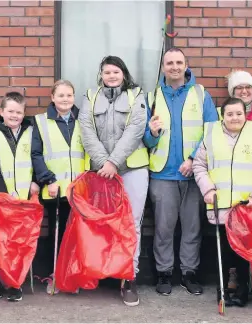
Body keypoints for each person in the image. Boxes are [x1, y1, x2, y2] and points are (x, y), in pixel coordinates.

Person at [144, 47, 218, 296]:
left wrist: (192, 159)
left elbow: (211, 131)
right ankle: (164, 273)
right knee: (163, 228)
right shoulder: (151, 96)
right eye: (169, 63)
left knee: (192, 227)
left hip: (193, 173)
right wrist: (152, 134)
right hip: (162, 173)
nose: (174, 67)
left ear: (186, 65)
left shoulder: (201, 94)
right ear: (163, 67)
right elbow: (144, 137)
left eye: (179, 62)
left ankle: (189, 273)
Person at [78, 56, 148, 306]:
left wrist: (113, 162)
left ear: (124, 73)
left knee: (131, 224)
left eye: (116, 71)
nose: (111, 76)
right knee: (103, 224)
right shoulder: (90, 96)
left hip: (132, 169)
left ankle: (129, 277)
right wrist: (103, 162)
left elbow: (136, 129)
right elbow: (86, 129)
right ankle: (106, 271)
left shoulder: (136, 94)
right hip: (101, 172)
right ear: (101, 75)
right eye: (107, 72)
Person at [192, 97, 252, 307]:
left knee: (244, 251)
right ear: (223, 115)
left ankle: (242, 289)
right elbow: (199, 165)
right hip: (220, 204)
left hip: (246, 206)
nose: (234, 117)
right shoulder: (210, 134)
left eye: (238, 113)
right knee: (224, 250)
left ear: (245, 114)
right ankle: (223, 288)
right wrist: (208, 189)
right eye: (229, 114)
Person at [0, 91, 39, 302]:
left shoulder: (33, 133)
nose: (14, 115)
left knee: (21, 242)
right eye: (10, 111)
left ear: (24, 114)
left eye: (19, 112)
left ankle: (16, 282)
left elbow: (38, 160)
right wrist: (3, 193)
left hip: (25, 200)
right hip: (1, 200)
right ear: (1, 112)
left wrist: (37, 182)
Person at [31, 79, 85, 295]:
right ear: (52, 98)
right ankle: (54, 275)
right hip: (55, 190)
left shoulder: (83, 120)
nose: (65, 99)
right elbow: (35, 154)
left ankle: (72, 276)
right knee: (57, 233)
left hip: (79, 190)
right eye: (61, 95)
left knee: (77, 235)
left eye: (69, 95)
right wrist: (48, 179)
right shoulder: (41, 122)